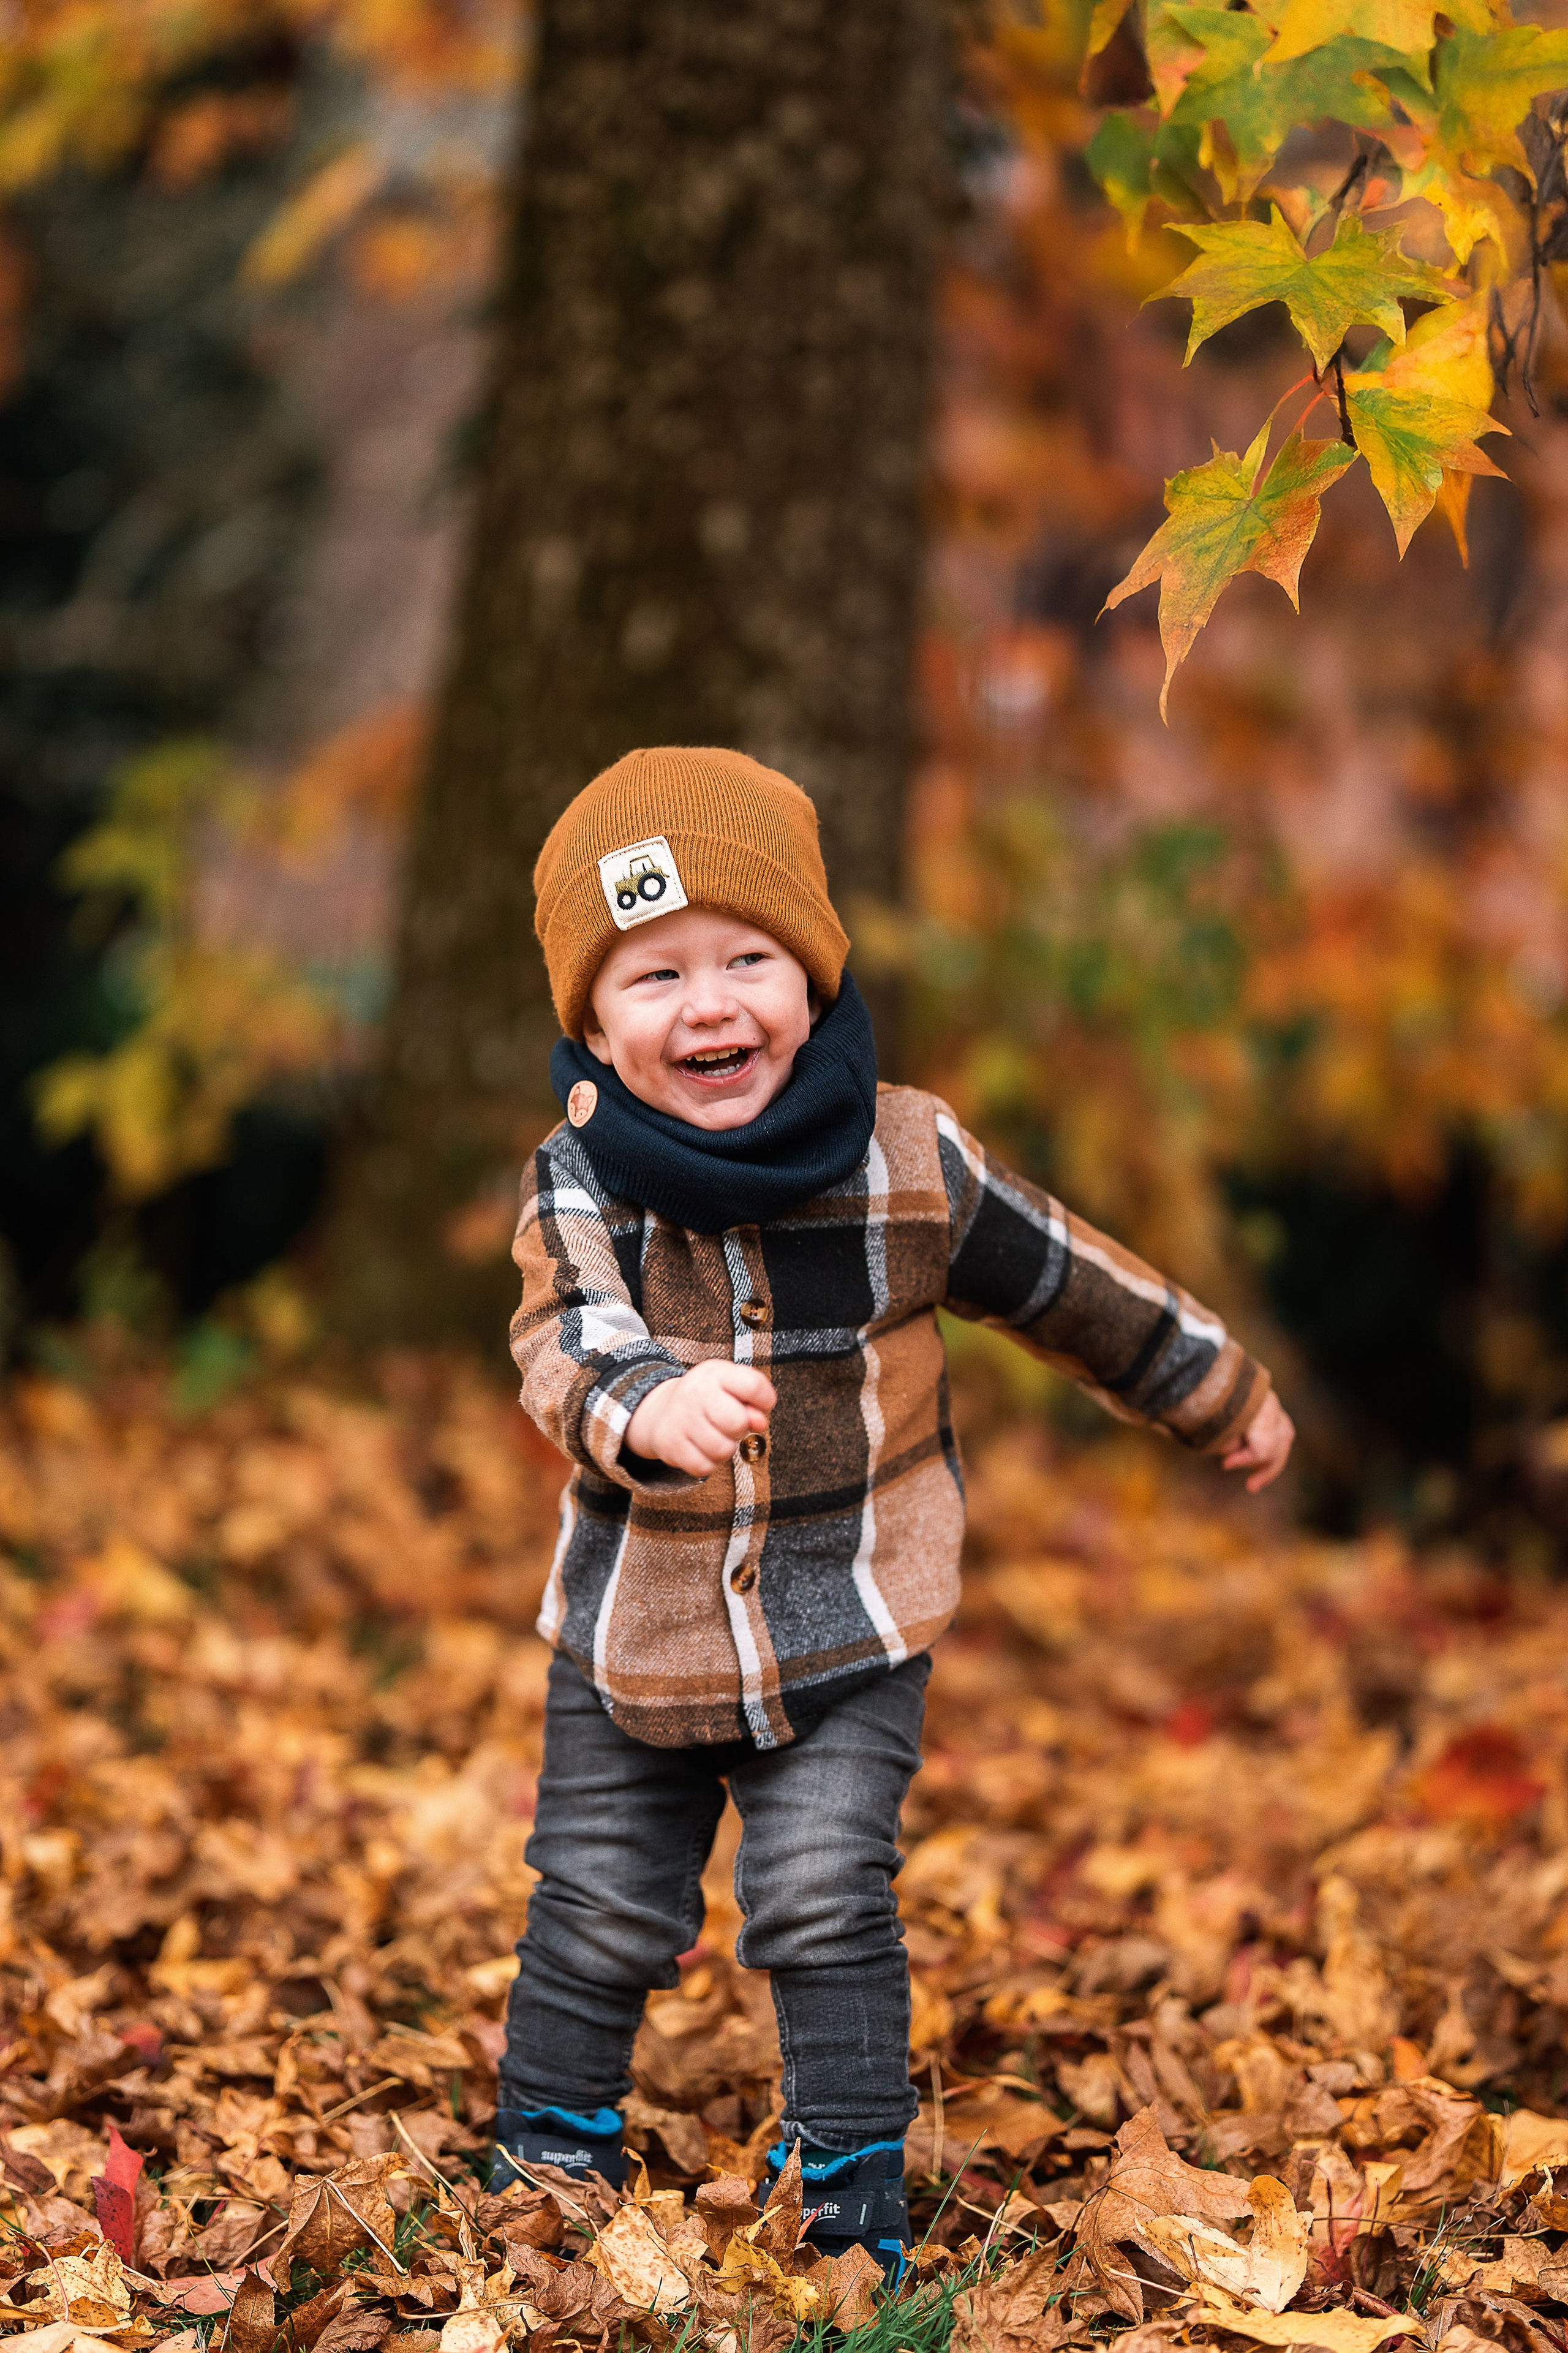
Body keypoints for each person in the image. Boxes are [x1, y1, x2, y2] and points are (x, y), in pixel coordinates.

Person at [494, 746, 1294, 2276]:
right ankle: (548, 2153)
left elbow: (1066, 1279)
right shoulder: (578, 1179)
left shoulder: (908, 1158)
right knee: (598, 1902)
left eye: (748, 960)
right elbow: (564, 1337)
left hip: (850, 1615)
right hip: (631, 1629)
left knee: (819, 1893)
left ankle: (848, 2185)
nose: (709, 1004)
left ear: (813, 973)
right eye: (654, 976)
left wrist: (1208, 1383)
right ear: (591, 1025)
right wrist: (644, 1404)